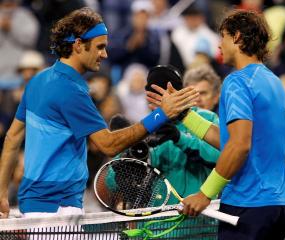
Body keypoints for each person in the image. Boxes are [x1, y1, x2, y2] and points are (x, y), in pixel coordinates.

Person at [0, 7, 198, 219]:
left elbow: (12, 138)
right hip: (59, 208)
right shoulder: (70, 90)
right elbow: (108, 144)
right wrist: (161, 114)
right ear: (78, 45)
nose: (105, 54)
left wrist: (2, 192)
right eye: (100, 47)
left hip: (32, 203)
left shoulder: (38, 80)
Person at [147, 10, 285, 240]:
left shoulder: (237, 81)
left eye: (223, 37)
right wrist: (184, 115)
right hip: (280, 206)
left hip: (248, 205)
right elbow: (230, 140)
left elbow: (239, 146)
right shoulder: (273, 81)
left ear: (236, 37)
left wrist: (205, 194)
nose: (219, 45)